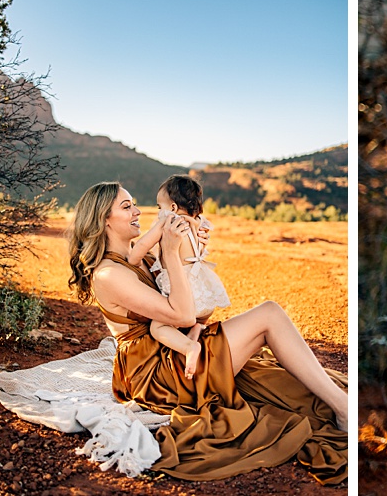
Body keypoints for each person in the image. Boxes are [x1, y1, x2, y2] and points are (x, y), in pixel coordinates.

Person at [66, 182, 348, 484]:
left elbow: (199, 313)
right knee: (269, 315)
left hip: (174, 349)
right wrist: (173, 255)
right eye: (126, 207)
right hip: (156, 376)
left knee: (268, 323)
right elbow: (183, 314)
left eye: (134, 203)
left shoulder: (141, 257)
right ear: (103, 219)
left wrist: (191, 254)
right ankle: (344, 408)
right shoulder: (109, 274)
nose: (137, 211)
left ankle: (338, 402)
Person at [128, 175, 230, 380]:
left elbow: (141, 247)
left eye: (159, 207)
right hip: (203, 291)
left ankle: (189, 346)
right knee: (197, 317)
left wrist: (132, 259)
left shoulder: (168, 221)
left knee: (158, 326)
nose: (159, 212)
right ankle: (196, 328)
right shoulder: (200, 222)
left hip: (184, 293)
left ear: (172, 207)